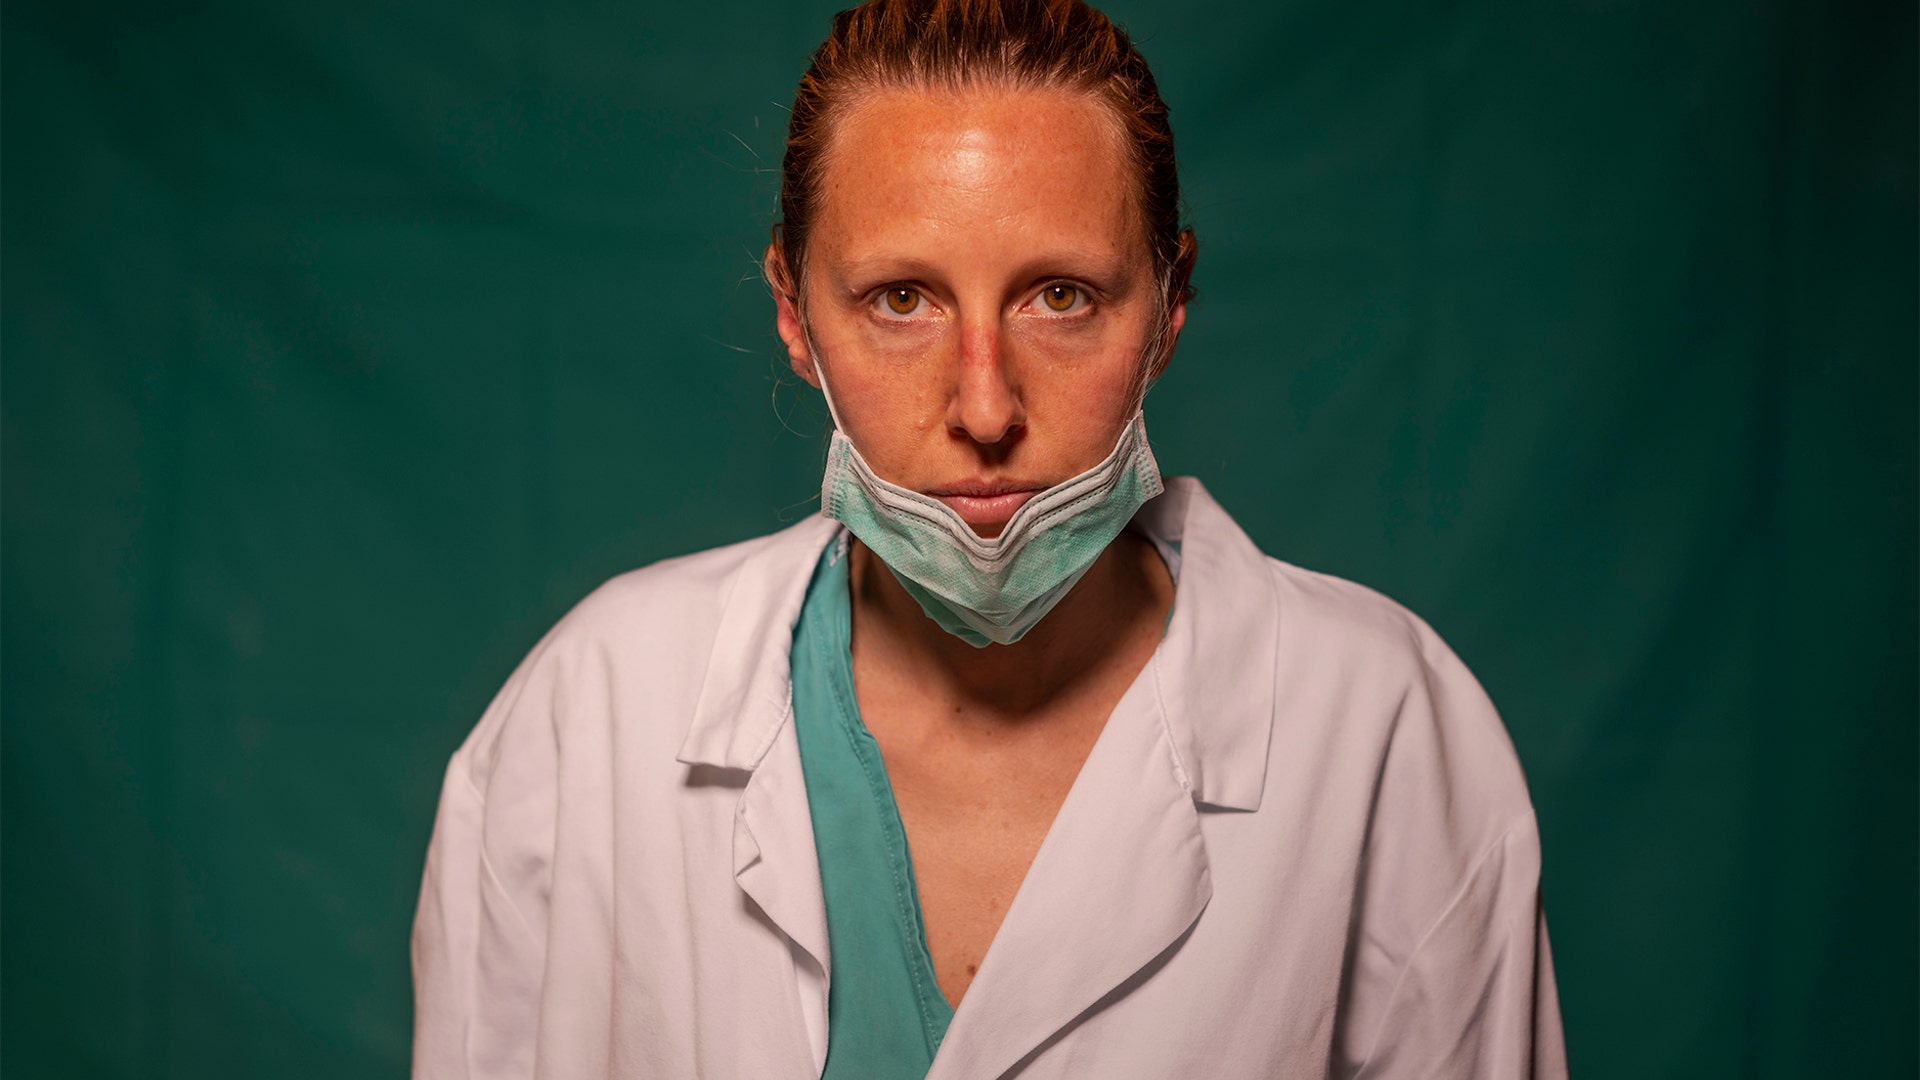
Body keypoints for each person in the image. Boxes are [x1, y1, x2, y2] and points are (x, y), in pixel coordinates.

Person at [410, 0, 1569, 1076]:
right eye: (900, 300)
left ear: (1168, 307)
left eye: (1060, 296)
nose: (983, 407)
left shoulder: (1382, 727)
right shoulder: (598, 706)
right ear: (792, 313)